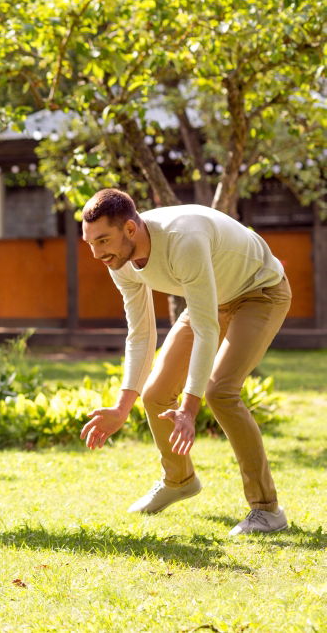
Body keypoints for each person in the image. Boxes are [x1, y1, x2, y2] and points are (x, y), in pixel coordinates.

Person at [79, 188, 291, 536]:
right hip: (213, 298)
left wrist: (190, 409)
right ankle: (179, 480)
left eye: (103, 241)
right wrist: (121, 407)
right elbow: (141, 334)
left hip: (260, 292)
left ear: (130, 229)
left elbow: (207, 329)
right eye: (90, 243)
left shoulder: (182, 240)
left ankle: (267, 510)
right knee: (156, 393)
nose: (97, 253)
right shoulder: (119, 261)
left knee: (221, 391)